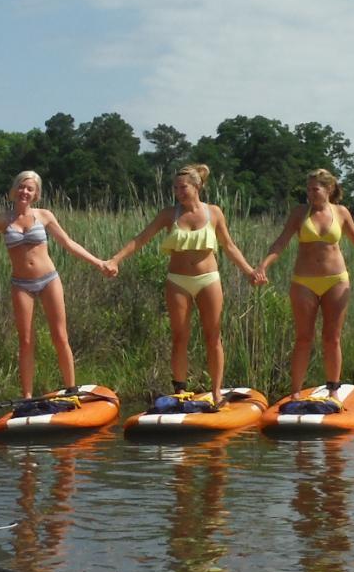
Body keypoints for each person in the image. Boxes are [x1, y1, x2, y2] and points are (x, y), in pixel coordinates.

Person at [0, 169, 116, 396]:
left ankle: (71, 388)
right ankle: (27, 396)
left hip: (49, 280)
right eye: (21, 187)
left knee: (60, 335)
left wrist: (99, 263)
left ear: (36, 193)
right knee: (26, 340)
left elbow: (68, 243)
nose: (25, 191)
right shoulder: (2, 219)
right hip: (21, 284)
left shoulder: (44, 215)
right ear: (14, 190)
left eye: (30, 188)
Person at [107, 163, 264, 399]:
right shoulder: (169, 214)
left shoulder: (214, 212)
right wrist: (115, 260)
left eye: (183, 187)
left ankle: (216, 391)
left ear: (197, 186)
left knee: (213, 335)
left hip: (208, 279)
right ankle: (179, 389)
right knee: (180, 336)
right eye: (175, 188)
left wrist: (249, 271)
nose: (178, 192)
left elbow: (229, 246)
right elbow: (140, 239)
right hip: (178, 280)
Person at [256, 167, 354, 397]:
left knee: (331, 337)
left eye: (315, 189)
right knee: (303, 338)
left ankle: (333, 391)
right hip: (304, 281)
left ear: (329, 189)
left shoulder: (341, 212)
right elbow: (280, 243)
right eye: (308, 189)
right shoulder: (299, 213)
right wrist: (263, 265)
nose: (311, 193)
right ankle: (295, 392)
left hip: (336, 280)